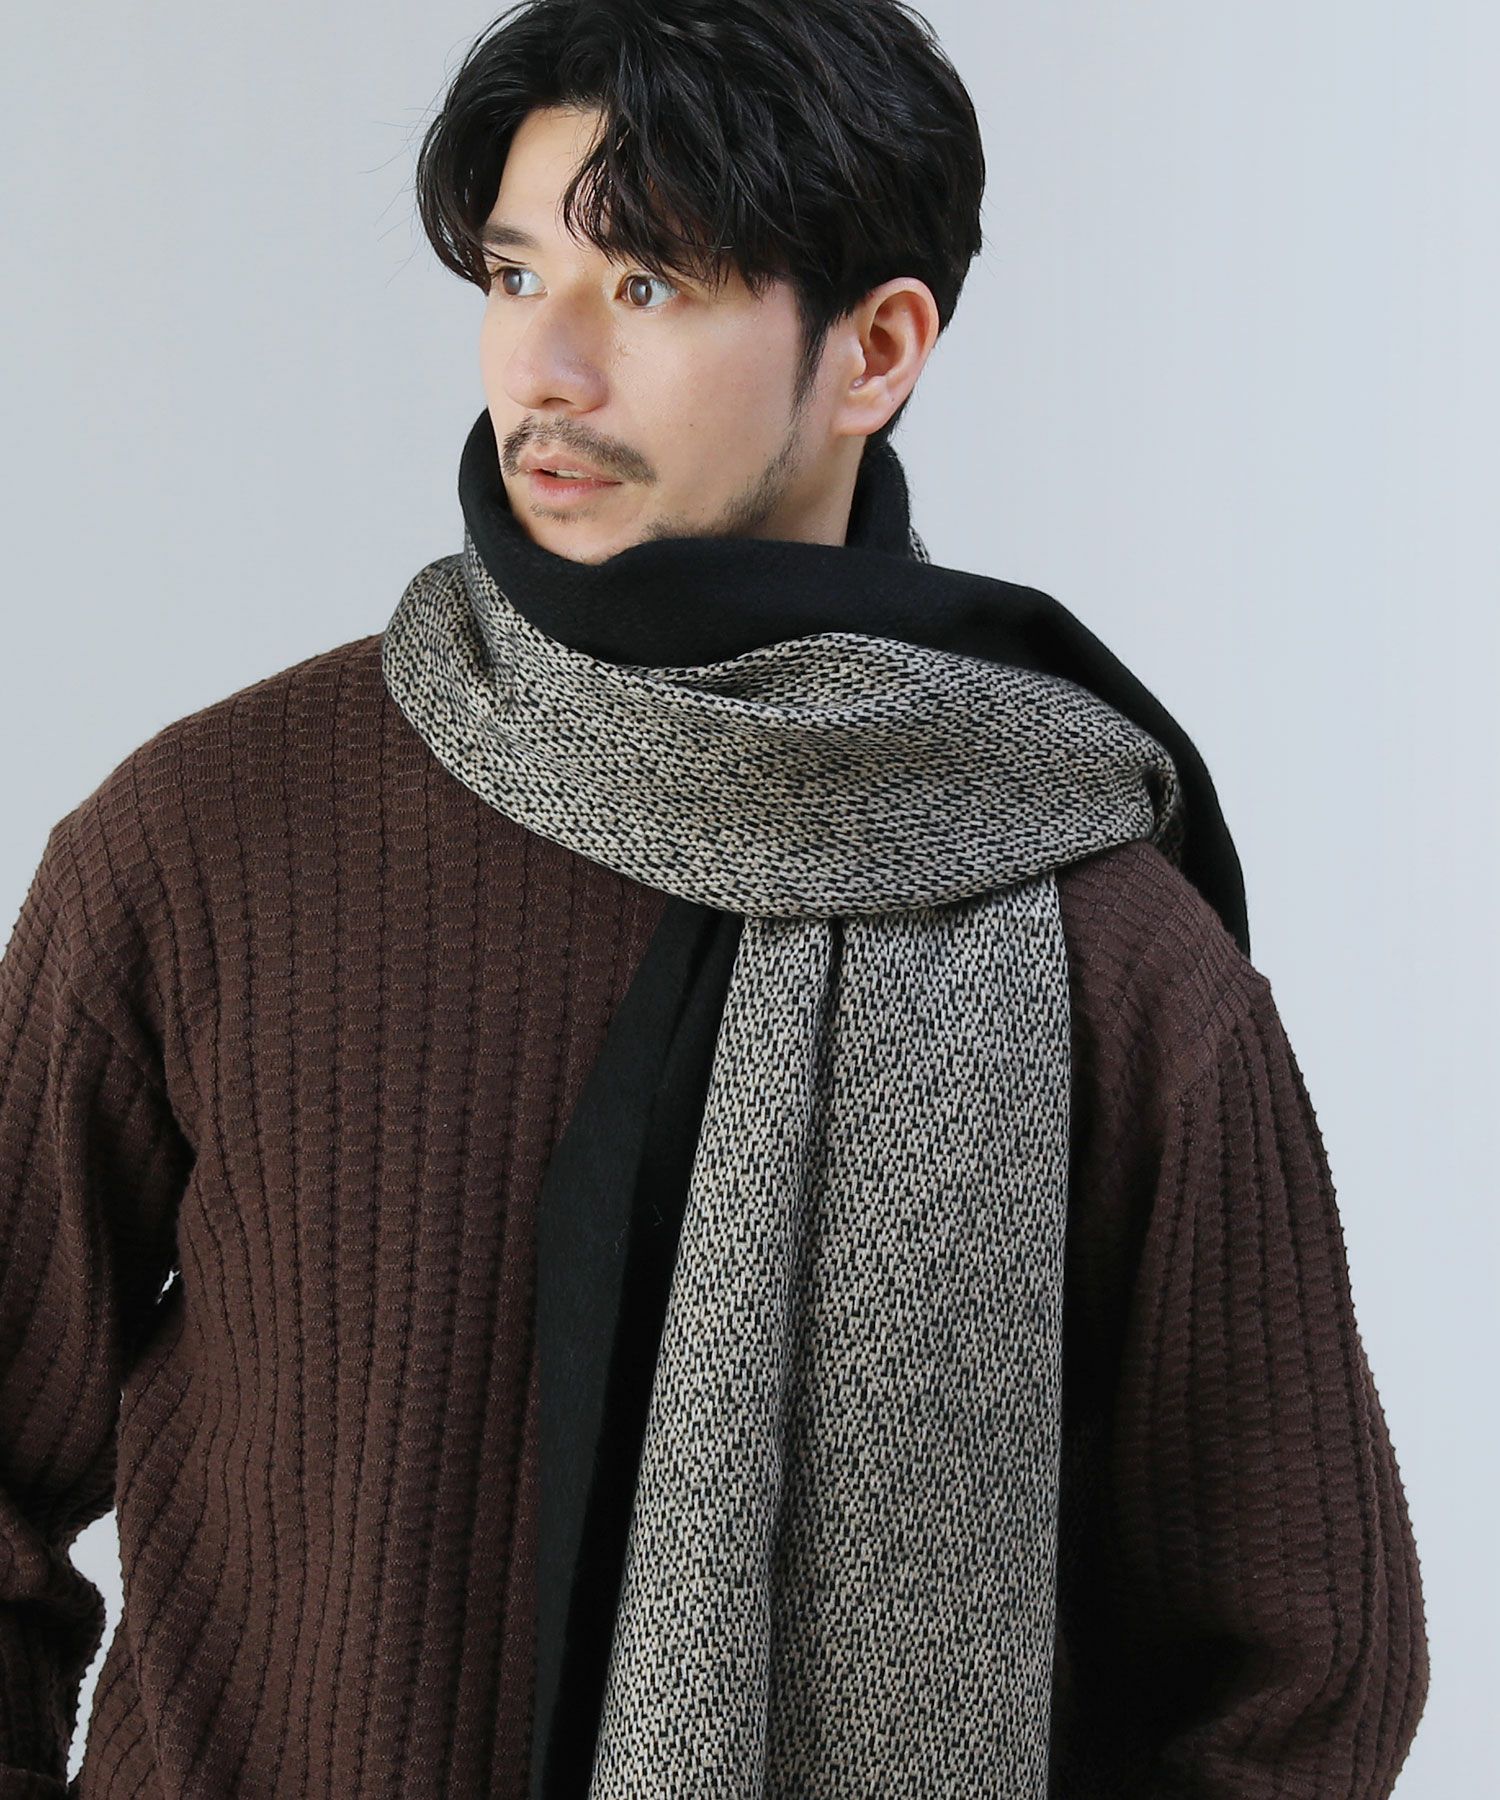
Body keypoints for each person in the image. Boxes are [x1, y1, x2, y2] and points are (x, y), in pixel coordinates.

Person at [0, 2, 1428, 1796]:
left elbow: (1302, 1671)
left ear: (876, 350)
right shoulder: (205, 842)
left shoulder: (1096, 943)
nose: (547, 371)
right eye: (516, 277)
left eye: (648, 286)